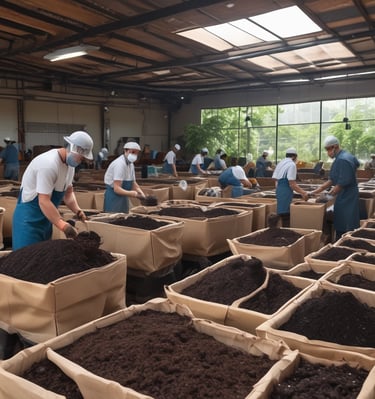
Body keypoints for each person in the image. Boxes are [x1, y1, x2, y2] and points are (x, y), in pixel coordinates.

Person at [12, 130, 94, 250]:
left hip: (47, 219)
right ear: (73, 148)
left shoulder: (70, 166)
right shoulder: (49, 164)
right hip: (28, 221)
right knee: (25, 262)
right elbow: (43, 201)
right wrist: (63, 226)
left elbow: (68, 194)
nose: (81, 161)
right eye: (81, 158)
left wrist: (78, 211)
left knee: (42, 261)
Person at [311, 135, 360, 241]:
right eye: (326, 149)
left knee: (346, 222)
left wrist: (326, 198)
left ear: (335, 146)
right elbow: (332, 180)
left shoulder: (343, 160)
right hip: (343, 195)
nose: (328, 152)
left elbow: (340, 184)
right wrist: (315, 192)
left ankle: (344, 242)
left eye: (329, 149)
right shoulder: (342, 158)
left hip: (347, 196)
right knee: (342, 218)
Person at [104, 141, 145, 213]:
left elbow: (133, 183)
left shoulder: (131, 164)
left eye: (137, 153)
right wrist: (134, 194)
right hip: (114, 198)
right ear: (125, 151)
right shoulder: (119, 164)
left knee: (123, 218)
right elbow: (117, 189)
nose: (135, 155)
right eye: (133, 152)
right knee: (112, 219)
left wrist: (141, 193)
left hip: (123, 197)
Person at [272, 147, 309, 226]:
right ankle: (285, 232)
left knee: (280, 212)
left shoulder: (281, 163)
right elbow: (292, 184)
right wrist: (303, 193)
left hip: (279, 189)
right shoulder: (292, 164)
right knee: (285, 214)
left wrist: (279, 189)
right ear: (294, 156)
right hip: (286, 190)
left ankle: (280, 230)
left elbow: (275, 179)